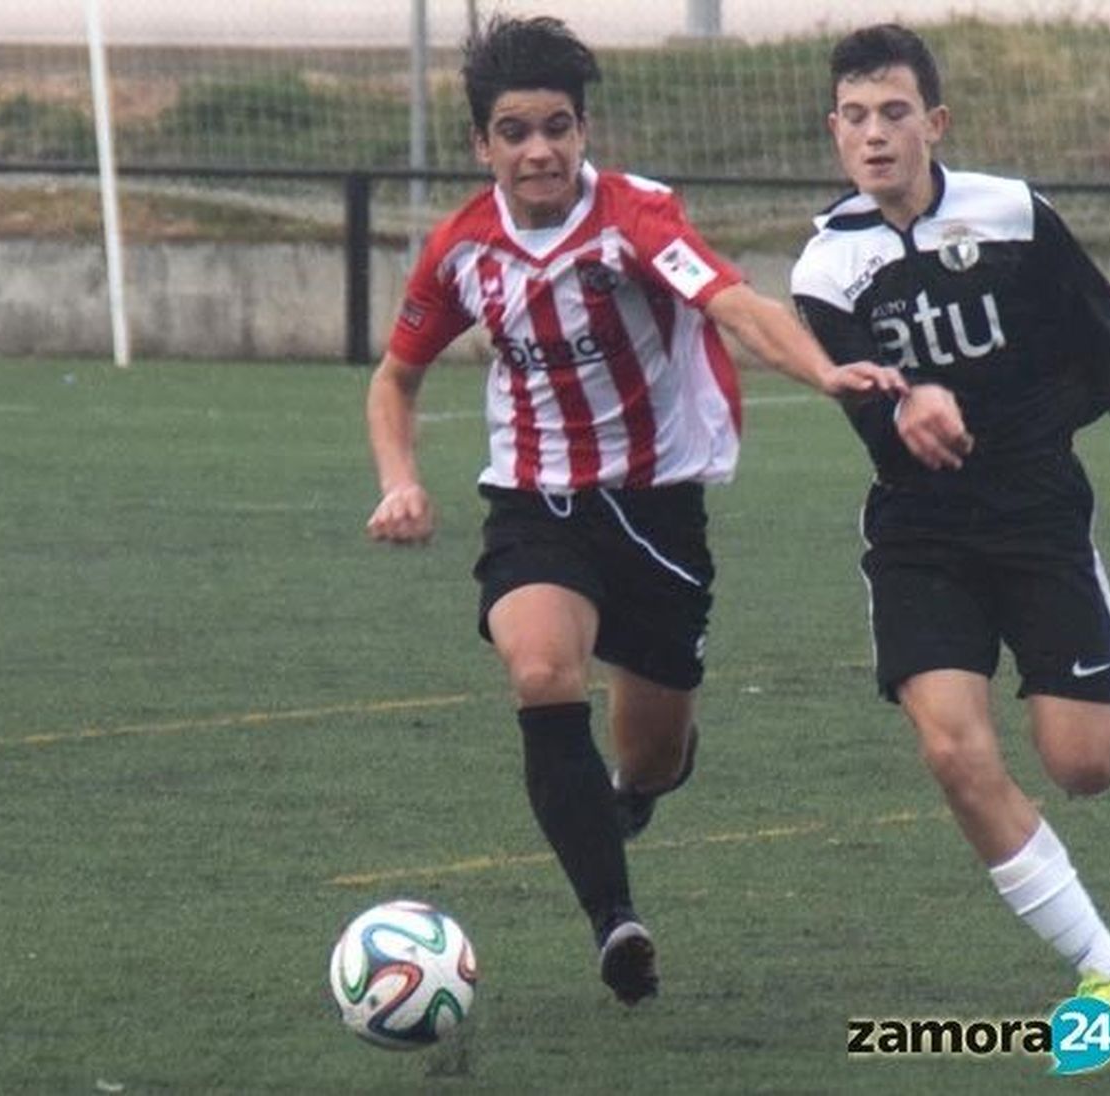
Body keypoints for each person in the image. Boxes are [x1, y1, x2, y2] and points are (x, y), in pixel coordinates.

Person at [365, 15, 903, 1005]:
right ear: (482, 144)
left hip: (658, 510)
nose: (539, 150)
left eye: (558, 127)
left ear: (582, 129)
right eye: (515, 131)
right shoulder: (460, 250)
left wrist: (827, 372)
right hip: (535, 504)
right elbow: (394, 378)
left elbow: (734, 304)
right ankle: (615, 921)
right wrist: (400, 478)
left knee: (648, 753)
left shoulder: (633, 219)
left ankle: (645, 784)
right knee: (540, 669)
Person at [791, 23, 1110, 1018]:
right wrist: (905, 406)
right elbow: (878, 432)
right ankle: (1107, 967)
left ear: (935, 123)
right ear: (832, 131)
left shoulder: (1013, 214)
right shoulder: (825, 268)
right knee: (953, 749)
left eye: (894, 113)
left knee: (1082, 765)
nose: (874, 134)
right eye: (854, 117)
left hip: (1040, 519)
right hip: (921, 538)